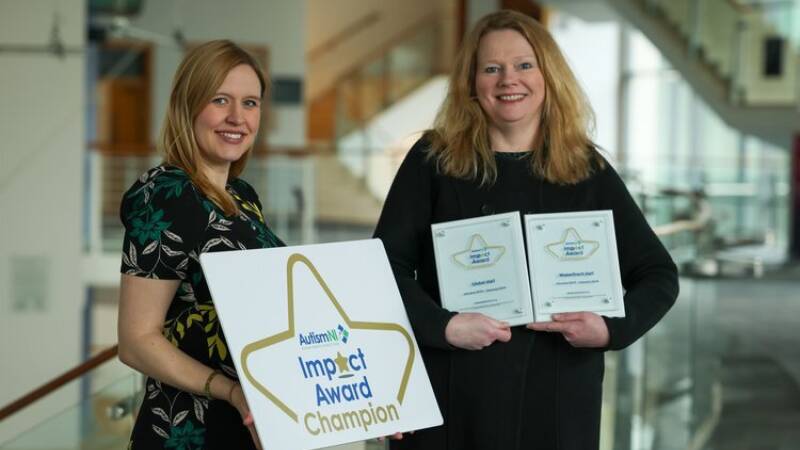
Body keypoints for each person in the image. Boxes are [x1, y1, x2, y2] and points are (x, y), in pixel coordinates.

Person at [373, 10, 678, 450]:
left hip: (557, 397)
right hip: (450, 393)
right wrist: (443, 326)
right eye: (491, 68)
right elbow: (382, 268)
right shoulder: (433, 161)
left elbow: (658, 274)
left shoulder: (586, 169)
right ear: (472, 84)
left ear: (547, 75)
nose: (507, 80)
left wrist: (611, 329)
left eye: (523, 65)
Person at [117, 40, 282, 450]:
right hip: (190, 430)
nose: (236, 118)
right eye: (220, 100)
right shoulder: (165, 194)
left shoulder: (242, 196)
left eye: (250, 103)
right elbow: (137, 341)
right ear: (187, 106)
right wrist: (229, 390)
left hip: (248, 422)